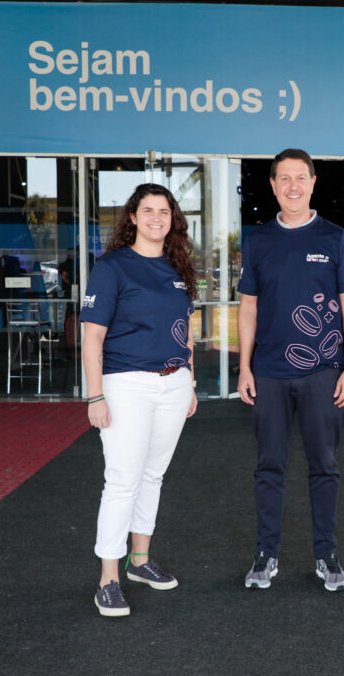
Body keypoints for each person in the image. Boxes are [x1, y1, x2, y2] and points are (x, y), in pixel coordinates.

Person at [237, 148, 344, 592]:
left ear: (313, 183)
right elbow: (248, 308)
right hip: (269, 373)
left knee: (324, 466)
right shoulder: (258, 241)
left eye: (300, 178)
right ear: (273, 185)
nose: (293, 186)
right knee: (268, 466)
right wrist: (244, 366)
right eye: (283, 178)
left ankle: (326, 555)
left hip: (323, 373)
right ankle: (266, 555)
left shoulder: (335, 238)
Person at [81, 183, 199, 617]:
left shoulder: (178, 266)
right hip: (126, 384)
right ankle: (107, 579)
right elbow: (92, 336)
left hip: (173, 383)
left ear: (173, 219)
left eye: (163, 211)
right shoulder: (112, 268)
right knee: (123, 480)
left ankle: (140, 561)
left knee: (152, 476)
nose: (155, 218)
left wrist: (189, 382)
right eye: (147, 210)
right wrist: (95, 396)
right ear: (132, 217)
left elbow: (184, 329)